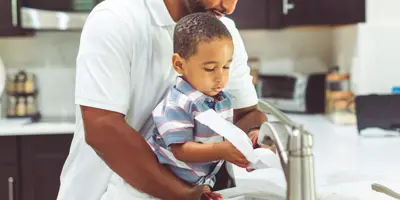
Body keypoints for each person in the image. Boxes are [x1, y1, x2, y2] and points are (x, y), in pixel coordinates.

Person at [56, 0, 267, 200]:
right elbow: (103, 128)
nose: (229, 7)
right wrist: (183, 194)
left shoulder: (222, 32)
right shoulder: (116, 19)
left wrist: (253, 138)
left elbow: (246, 113)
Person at [141, 12, 246, 200]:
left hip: (193, 188)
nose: (220, 76)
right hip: (160, 191)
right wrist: (223, 150)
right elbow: (180, 150)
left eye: (226, 67)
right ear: (179, 64)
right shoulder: (177, 102)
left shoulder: (222, 101)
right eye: (210, 68)